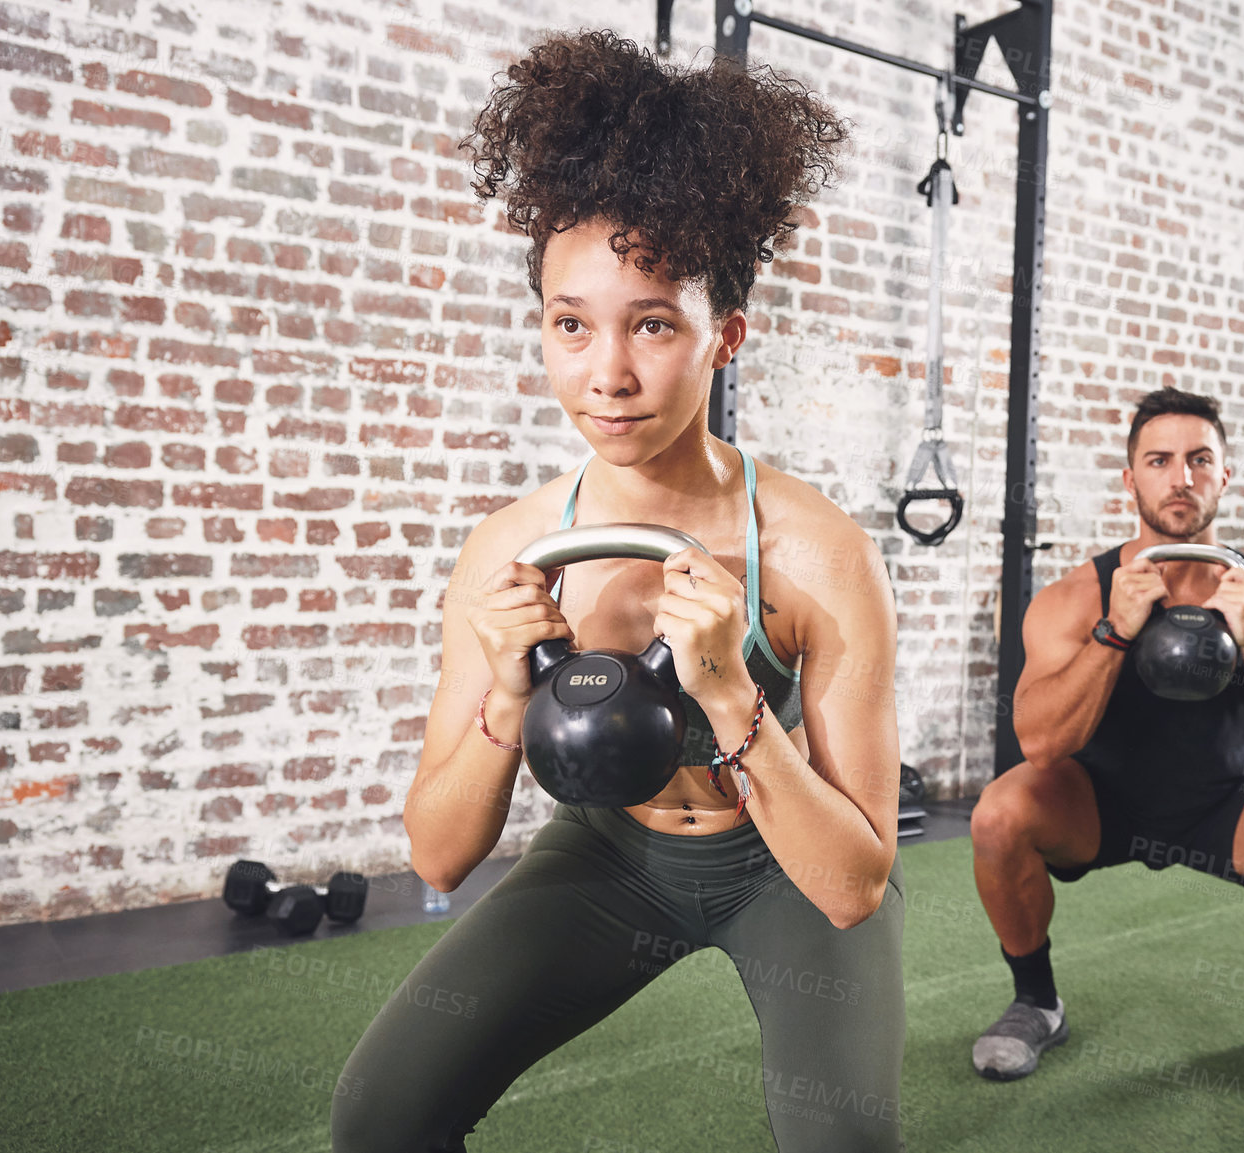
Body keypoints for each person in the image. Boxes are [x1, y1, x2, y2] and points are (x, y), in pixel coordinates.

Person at [332, 30, 909, 1152]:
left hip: (780, 866)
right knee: (380, 1116)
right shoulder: (512, 548)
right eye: (569, 323)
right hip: (607, 856)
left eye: (652, 323)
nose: (606, 373)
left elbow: (851, 882)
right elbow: (439, 855)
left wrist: (733, 694)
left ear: (722, 337)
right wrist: (505, 693)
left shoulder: (813, 552)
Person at [968, 386, 1244, 1109]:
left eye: (1199, 459)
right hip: (1101, 801)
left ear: (1225, 476)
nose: (1180, 477)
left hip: (1227, 800)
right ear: (1131, 479)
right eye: (1159, 460)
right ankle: (1037, 1004)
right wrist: (1115, 630)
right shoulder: (1075, 597)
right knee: (999, 814)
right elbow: (1037, 741)